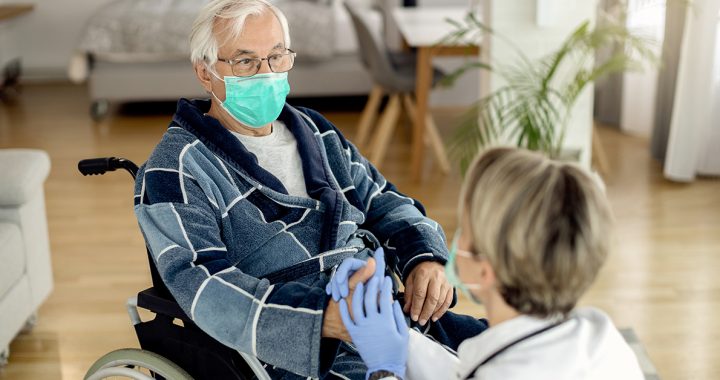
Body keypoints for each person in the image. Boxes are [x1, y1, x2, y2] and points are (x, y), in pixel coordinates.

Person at [132, 0, 486, 378]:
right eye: (245, 61)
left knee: (515, 353)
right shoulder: (176, 169)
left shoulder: (314, 131)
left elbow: (384, 200)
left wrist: (424, 258)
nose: (265, 73)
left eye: (277, 57)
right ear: (205, 73)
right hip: (296, 348)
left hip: (385, 312)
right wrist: (322, 319)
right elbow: (204, 286)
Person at [334, 147, 645, 380]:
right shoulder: (602, 335)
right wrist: (400, 339)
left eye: (464, 232)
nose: (455, 242)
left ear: (485, 270)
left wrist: (385, 369)